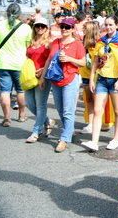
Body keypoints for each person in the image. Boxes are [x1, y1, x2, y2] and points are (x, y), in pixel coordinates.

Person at [82, 15, 118, 151]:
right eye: (106, 25)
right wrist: (92, 79)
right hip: (102, 79)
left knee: (117, 110)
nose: (108, 27)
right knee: (97, 110)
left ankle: (115, 139)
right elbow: (96, 61)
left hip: (116, 80)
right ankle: (94, 142)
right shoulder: (100, 42)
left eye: (111, 25)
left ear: (116, 25)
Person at [40, 17, 86, 152]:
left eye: (67, 27)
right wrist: (43, 77)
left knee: (67, 110)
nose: (64, 29)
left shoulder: (78, 44)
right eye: (62, 27)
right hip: (55, 79)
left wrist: (69, 59)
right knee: (60, 109)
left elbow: (83, 62)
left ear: (72, 29)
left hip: (70, 78)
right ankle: (69, 130)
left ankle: (64, 138)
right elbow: (49, 60)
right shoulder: (55, 42)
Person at [0, 3, 32, 126]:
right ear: (19, 14)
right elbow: (28, 47)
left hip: (3, 63)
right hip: (20, 64)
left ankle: (7, 118)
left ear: (7, 12)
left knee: (5, 91)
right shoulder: (26, 28)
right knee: (20, 91)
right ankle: (22, 115)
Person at [24, 17, 54, 143]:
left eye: (42, 26)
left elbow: (53, 61)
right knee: (30, 104)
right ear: (34, 28)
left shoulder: (50, 43)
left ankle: (36, 131)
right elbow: (27, 58)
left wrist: (43, 70)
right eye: (37, 26)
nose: (40, 28)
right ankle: (47, 121)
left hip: (43, 77)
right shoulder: (30, 41)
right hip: (30, 77)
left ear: (47, 28)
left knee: (40, 105)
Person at [79, 21, 100, 134]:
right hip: (85, 75)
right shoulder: (83, 41)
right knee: (89, 101)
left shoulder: (98, 43)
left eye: (85, 28)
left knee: (97, 101)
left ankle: (98, 123)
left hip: (96, 76)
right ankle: (91, 124)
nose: (83, 30)